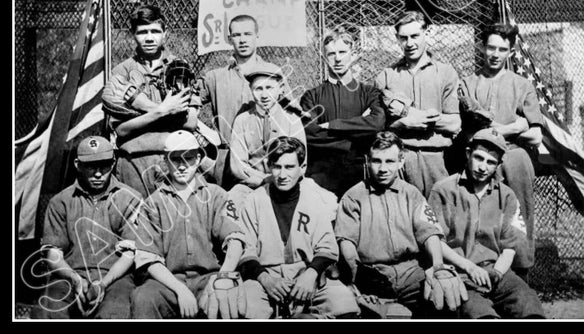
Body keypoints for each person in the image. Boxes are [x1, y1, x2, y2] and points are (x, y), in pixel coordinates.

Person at [334, 131, 467, 319]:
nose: (383, 169)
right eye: (376, 161)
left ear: (400, 161)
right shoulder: (353, 197)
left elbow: (429, 233)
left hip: (412, 272)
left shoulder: (411, 193)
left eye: (389, 161)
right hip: (374, 274)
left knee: (446, 301)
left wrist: (438, 267)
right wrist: (357, 279)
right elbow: (346, 242)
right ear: (367, 161)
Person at [428, 128, 545, 319]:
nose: (483, 167)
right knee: (480, 313)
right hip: (459, 273)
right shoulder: (444, 190)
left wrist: (497, 273)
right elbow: (436, 241)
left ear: (499, 164)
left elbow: (509, 246)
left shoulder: (506, 195)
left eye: (491, 162)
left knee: (529, 304)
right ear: (468, 154)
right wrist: (469, 267)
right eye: (479, 158)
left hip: (496, 271)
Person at [238, 136, 360, 319]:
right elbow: (245, 250)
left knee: (344, 303)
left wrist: (311, 274)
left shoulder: (314, 199)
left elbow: (327, 247)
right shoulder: (253, 200)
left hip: (306, 274)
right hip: (265, 277)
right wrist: (265, 278)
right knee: (246, 306)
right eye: (277, 167)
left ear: (302, 168)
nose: (282, 174)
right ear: (268, 166)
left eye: (289, 167)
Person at [130, 130, 247, 319]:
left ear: (199, 158)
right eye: (175, 159)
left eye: (189, 158)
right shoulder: (154, 202)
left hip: (209, 278)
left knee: (227, 295)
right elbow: (149, 259)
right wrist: (180, 290)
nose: (182, 166)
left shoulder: (216, 195)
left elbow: (235, 240)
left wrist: (222, 277)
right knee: (143, 296)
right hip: (169, 283)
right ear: (165, 160)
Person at [458, 23, 543, 272]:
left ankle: (521, 268)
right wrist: (516, 125)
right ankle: (482, 267)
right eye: (491, 47)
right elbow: (470, 130)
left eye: (502, 49)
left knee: (518, 215)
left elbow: (536, 136)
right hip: (481, 158)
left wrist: (499, 128)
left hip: (514, 159)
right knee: (482, 213)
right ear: (482, 48)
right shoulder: (468, 83)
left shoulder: (522, 84)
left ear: (510, 51)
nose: (495, 54)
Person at [32, 136, 141, 319]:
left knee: (117, 309)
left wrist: (103, 284)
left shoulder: (129, 198)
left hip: (115, 278)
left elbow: (130, 253)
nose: (98, 173)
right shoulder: (61, 202)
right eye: (91, 166)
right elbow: (53, 252)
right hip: (70, 276)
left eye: (104, 165)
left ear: (113, 163)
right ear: (77, 164)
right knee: (49, 307)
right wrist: (75, 279)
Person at [102, 5, 204, 198]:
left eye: (155, 31)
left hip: (174, 161)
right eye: (142, 32)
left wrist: (142, 113)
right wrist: (163, 110)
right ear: (133, 34)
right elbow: (120, 129)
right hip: (133, 162)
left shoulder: (181, 68)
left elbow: (190, 121)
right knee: (136, 220)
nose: (149, 38)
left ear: (164, 33)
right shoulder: (122, 72)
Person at [198, 14, 298, 187]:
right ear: (229, 39)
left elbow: (292, 113)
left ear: (257, 36)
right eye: (236, 35)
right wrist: (207, 135)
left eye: (247, 34)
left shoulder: (273, 73)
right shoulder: (215, 77)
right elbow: (185, 105)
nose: (242, 40)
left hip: (270, 161)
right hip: (230, 162)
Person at [374, 10, 461, 198]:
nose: (410, 43)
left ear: (426, 33)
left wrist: (414, 115)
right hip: (400, 161)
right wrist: (403, 122)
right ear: (397, 38)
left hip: (437, 160)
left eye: (415, 36)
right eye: (403, 38)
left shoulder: (446, 73)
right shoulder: (387, 76)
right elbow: (380, 126)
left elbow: (454, 122)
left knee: (439, 220)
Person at [301, 27, 385, 199]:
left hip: (359, 174)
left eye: (342, 52)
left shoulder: (369, 93)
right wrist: (358, 132)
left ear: (353, 54)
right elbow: (309, 134)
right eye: (331, 54)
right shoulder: (312, 96)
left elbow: (377, 124)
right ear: (324, 57)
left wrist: (332, 125)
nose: (338, 58)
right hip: (321, 174)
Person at [228, 63, 306, 208]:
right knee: (231, 202)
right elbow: (237, 165)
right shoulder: (242, 120)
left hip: (286, 183)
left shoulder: (292, 120)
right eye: (258, 89)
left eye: (269, 88)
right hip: (251, 184)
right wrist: (262, 180)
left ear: (280, 89)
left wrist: (272, 179)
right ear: (251, 90)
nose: (264, 95)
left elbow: (301, 163)